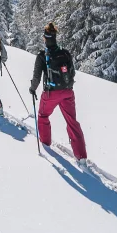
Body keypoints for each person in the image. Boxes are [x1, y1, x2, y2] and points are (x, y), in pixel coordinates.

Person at [29, 22, 88, 165]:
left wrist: (32, 88)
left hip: (51, 93)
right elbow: (72, 72)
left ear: (45, 38)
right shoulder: (65, 53)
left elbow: (37, 76)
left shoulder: (42, 56)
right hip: (68, 92)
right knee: (72, 122)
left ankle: (45, 144)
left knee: (43, 115)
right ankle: (81, 157)